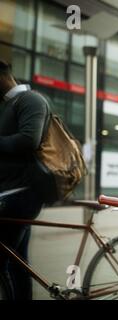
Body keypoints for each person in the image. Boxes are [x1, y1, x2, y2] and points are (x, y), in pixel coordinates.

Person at [0, 60, 48, 299]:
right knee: (19, 262)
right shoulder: (7, 105)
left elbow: (30, 139)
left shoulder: (31, 100)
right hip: (10, 192)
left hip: (21, 193)